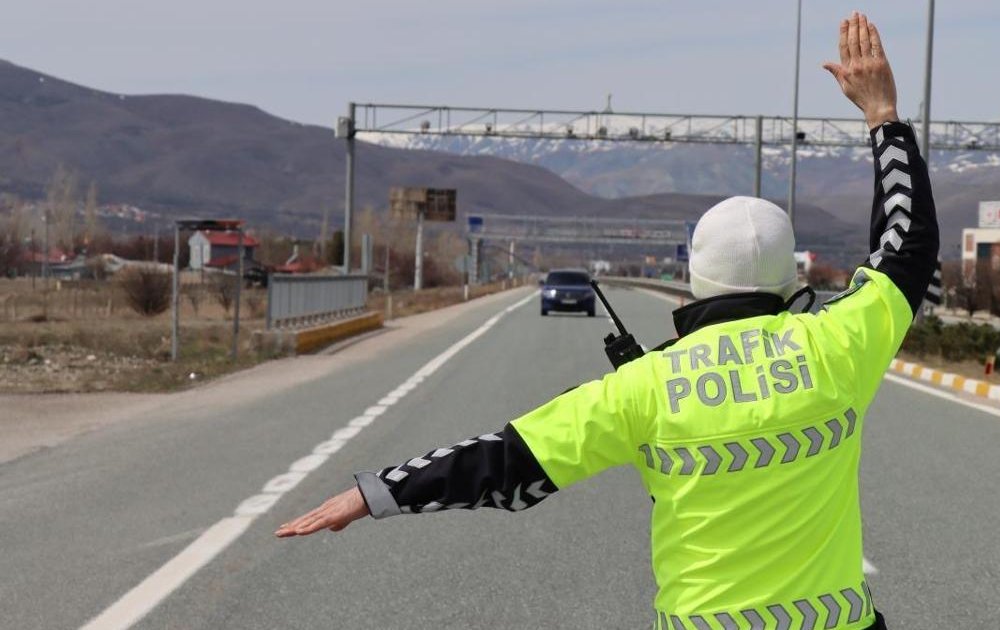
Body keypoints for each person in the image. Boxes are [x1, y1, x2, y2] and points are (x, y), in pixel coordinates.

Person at [277, 11, 938, 630]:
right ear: (791, 284)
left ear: (692, 285)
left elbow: (507, 463)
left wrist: (379, 492)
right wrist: (882, 117)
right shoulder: (837, 345)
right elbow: (904, 250)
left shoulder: (644, 387)